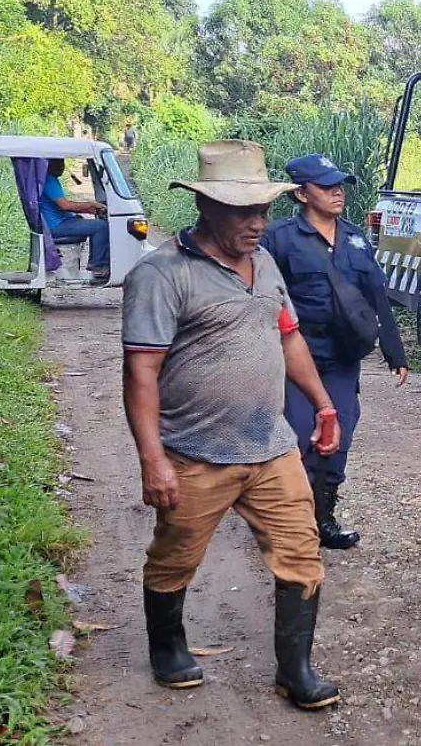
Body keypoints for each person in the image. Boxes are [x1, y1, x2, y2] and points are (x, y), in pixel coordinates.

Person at [121, 139, 343, 710]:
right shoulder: (162, 275)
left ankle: (295, 671)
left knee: (302, 552)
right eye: (244, 212)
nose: (258, 223)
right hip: (195, 452)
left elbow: (287, 334)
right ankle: (167, 645)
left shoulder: (264, 263)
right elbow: (141, 372)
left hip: (271, 447)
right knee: (175, 558)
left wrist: (321, 403)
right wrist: (153, 460)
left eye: (263, 211)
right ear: (207, 207)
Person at [261, 154, 408, 551]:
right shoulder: (278, 238)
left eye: (339, 184)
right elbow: (258, 295)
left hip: (343, 356)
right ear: (301, 193)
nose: (337, 192)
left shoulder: (357, 238)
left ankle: (323, 519)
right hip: (295, 355)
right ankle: (289, 521)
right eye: (326, 186)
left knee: (337, 435)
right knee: (296, 435)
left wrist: (396, 351)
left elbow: (376, 295)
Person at [42, 158, 112, 281]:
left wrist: (88, 209)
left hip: (59, 221)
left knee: (87, 221)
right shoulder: (49, 180)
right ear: (51, 164)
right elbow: (65, 205)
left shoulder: (49, 179)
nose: (62, 167)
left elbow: (62, 207)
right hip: (56, 226)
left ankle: (97, 264)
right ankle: (98, 267)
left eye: (63, 163)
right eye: (59, 162)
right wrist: (90, 205)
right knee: (101, 227)